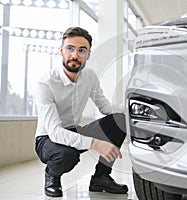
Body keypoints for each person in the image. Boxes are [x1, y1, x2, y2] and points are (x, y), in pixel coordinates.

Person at [34, 27, 128, 197]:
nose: (75, 56)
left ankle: (101, 177)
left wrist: (130, 107)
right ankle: (52, 176)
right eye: (70, 49)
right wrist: (96, 143)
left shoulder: (90, 77)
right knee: (67, 156)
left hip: (74, 129)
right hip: (47, 138)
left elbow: (105, 108)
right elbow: (55, 133)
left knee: (119, 120)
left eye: (81, 50)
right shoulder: (45, 83)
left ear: (88, 54)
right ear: (61, 50)